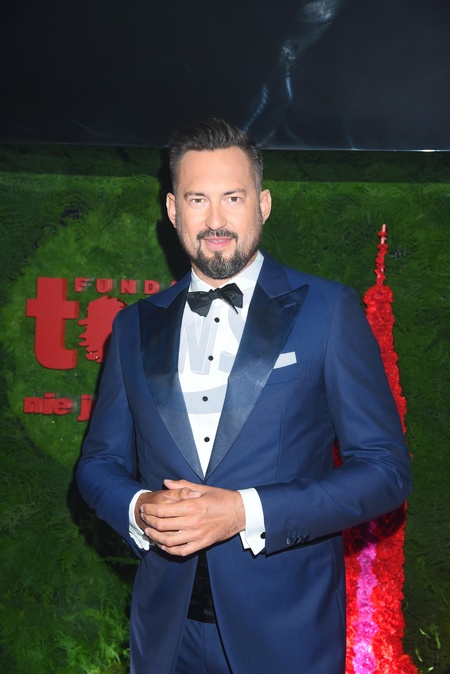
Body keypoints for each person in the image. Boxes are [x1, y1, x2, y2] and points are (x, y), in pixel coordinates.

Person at [76, 118, 411, 674]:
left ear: (263, 204)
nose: (215, 220)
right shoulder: (132, 326)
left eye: (233, 197)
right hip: (166, 638)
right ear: (172, 210)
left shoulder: (329, 311)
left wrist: (243, 511)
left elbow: (385, 471)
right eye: (197, 199)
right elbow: (97, 465)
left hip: (288, 635)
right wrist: (139, 508)